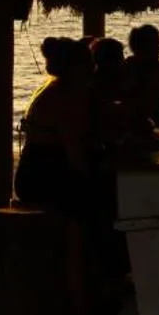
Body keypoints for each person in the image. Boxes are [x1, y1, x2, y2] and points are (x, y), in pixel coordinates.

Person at [15, 35, 95, 220]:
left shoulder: (51, 89)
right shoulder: (62, 98)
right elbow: (74, 153)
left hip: (34, 173)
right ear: (75, 68)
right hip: (41, 179)